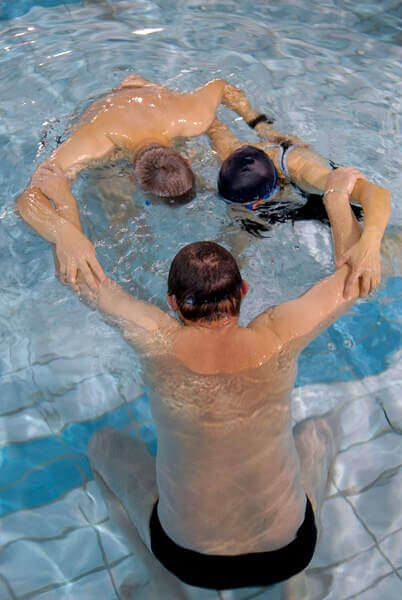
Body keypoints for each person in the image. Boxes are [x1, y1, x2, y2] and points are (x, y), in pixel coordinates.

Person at [39, 164, 379, 598]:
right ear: (244, 292)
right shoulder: (279, 335)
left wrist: (64, 214)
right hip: (291, 547)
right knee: (317, 432)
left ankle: (160, 583)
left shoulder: (156, 337)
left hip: (186, 557)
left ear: (171, 304)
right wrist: (334, 198)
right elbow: (356, 279)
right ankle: (295, 583)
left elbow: (82, 279)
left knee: (102, 446)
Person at [16, 73, 271, 291]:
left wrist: (259, 123)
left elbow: (221, 86)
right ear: (133, 180)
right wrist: (64, 234)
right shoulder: (92, 147)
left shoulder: (190, 117)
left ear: (185, 160)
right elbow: (28, 198)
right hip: (104, 117)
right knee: (116, 215)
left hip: (153, 105)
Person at [206, 116, 390, 296]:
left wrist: (370, 242)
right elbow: (211, 120)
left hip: (322, 199)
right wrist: (260, 124)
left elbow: (377, 193)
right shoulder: (230, 156)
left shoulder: (305, 171)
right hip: (282, 198)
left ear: (262, 200)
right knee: (229, 261)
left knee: (370, 268)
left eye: (249, 206)